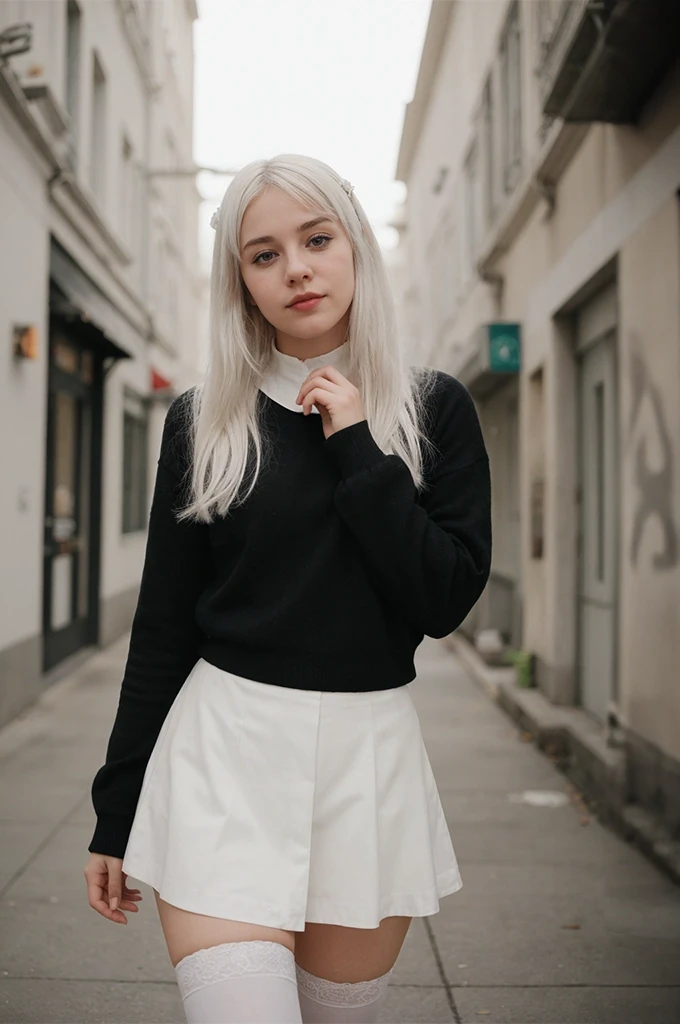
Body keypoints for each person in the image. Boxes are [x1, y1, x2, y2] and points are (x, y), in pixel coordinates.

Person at [84, 153, 492, 1023]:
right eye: (263, 254)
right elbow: (161, 628)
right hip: (224, 753)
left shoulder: (433, 409)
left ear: (356, 249)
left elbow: (443, 597)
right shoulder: (205, 419)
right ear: (242, 281)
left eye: (316, 239)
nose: (296, 267)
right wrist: (114, 812)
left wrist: (355, 446)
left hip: (367, 759)